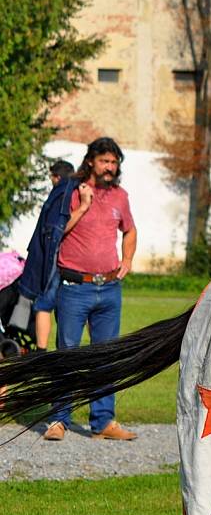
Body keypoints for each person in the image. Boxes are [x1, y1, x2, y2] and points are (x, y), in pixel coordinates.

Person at [43, 138, 138, 442]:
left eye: (114, 162)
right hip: (74, 288)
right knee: (68, 356)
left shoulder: (120, 196)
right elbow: (58, 230)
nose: (110, 168)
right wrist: (83, 206)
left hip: (109, 288)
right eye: (104, 162)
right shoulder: (71, 192)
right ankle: (58, 420)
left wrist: (127, 259)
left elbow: (130, 230)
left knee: (105, 357)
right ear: (91, 162)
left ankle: (103, 421)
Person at [16, 161, 78, 351]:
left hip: (55, 259)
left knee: (43, 304)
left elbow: (53, 231)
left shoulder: (60, 192)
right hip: (69, 259)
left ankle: (39, 351)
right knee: (64, 307)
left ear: (56, 177)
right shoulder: (73, 190)